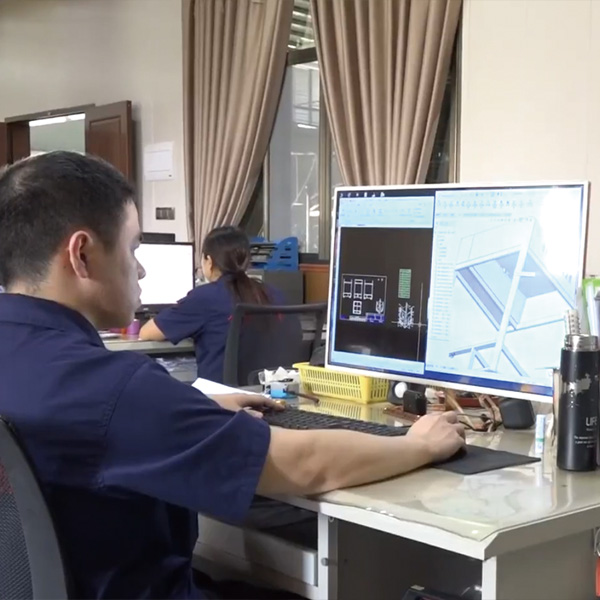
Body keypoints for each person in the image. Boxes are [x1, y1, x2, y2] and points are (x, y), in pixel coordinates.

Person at [0, 151, 465, 599]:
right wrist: (418, 445)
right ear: (82, 254)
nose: (139, 268)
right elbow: (304, 463)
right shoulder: (115, 391)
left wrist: (190, 410)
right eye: (133, 247)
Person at [139, 226, 276, 383]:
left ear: (209, 261)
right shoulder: (272, 293)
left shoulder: (205, 297)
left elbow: (147, 333)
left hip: (220, 395)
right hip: (268, 392)